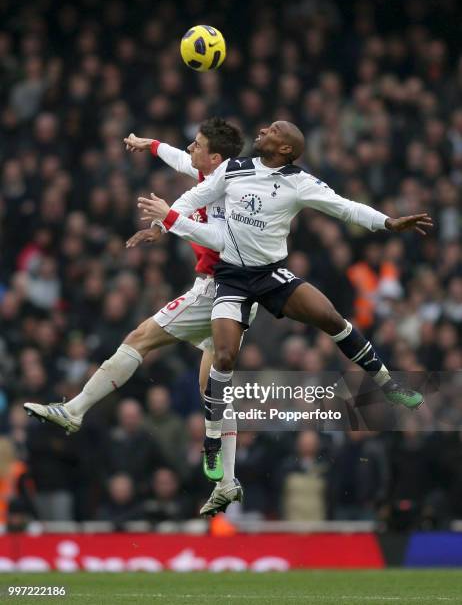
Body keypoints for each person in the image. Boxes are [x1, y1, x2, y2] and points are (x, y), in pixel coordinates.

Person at [137, 120, 433, 481]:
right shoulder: (233, 168)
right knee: (225, 356)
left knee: (332, 319)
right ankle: (212, 442)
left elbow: (345, 208)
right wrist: (162, 225)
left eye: (274, 130)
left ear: (287, 149)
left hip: (270, 275)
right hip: (230, 277)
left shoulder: (299, 183)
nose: (263, 130)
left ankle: (389, 385)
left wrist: (388, 223)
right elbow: (191, 199)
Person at [24, 117, 250, 517]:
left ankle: (74, 410)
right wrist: (151, 145)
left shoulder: (229, 194)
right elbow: (181, 160)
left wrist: (167, 222)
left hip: (216, 289)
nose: (191, 149)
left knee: (139, 338)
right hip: (238, 295)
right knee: (212, 389)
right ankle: (229, 481)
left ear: (215, 158)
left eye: (198, 145)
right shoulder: (212, 171)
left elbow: (213, 239)